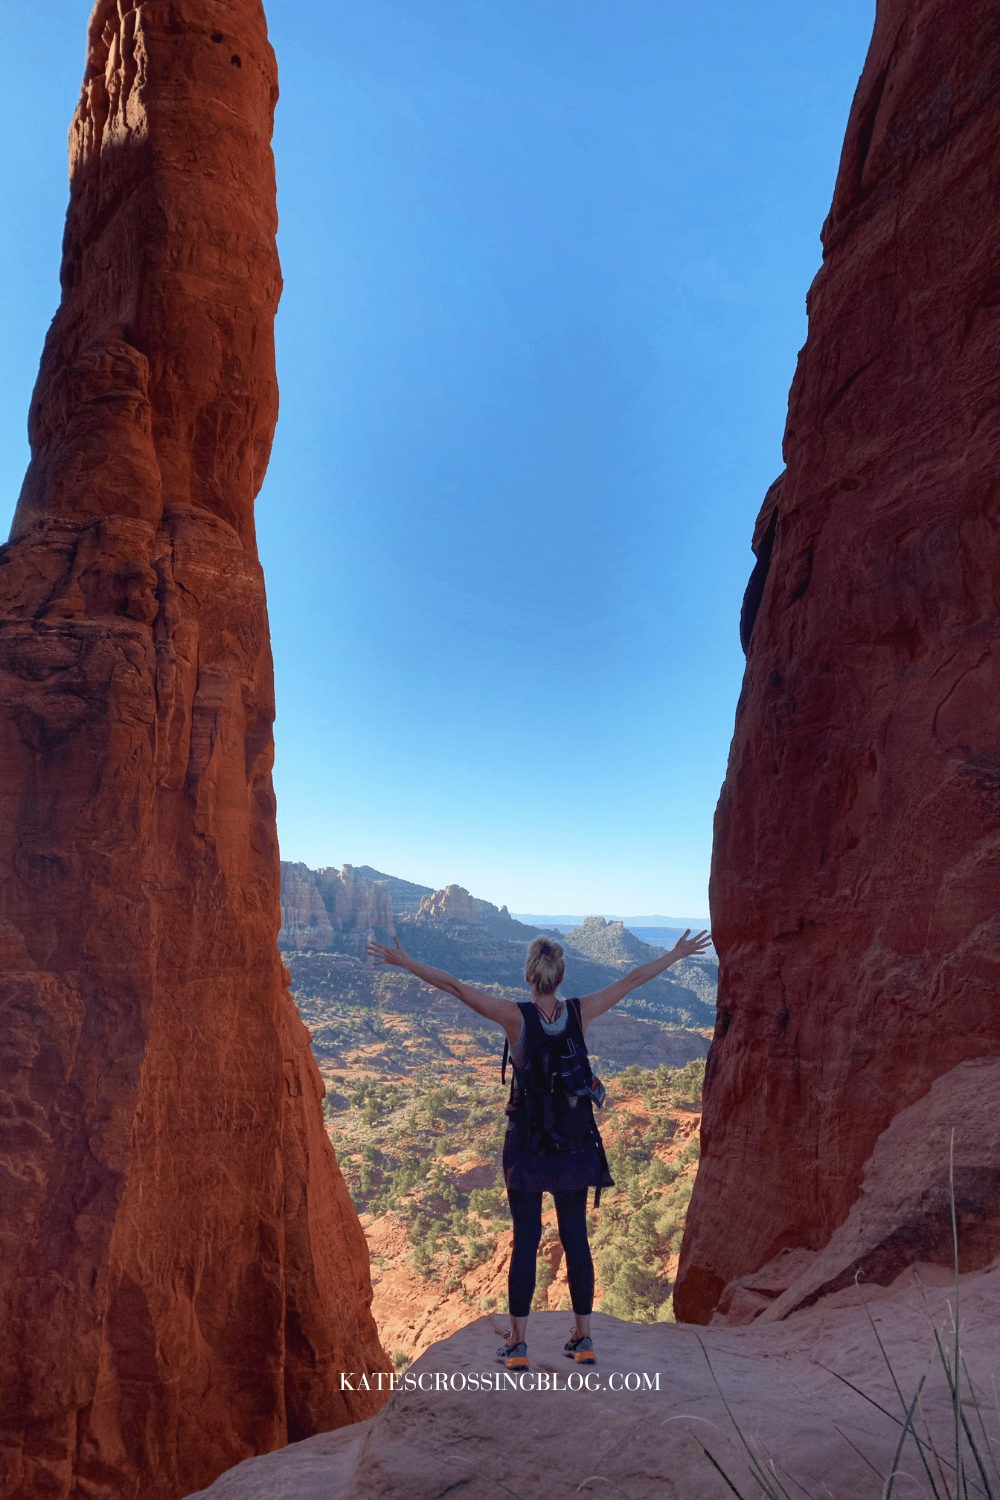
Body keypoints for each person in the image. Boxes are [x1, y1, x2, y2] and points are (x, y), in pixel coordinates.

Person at [366, 925, 712, 1368]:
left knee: (525, 1240)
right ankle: (583, 1339)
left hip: (527, 1148)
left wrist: (407, 962)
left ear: (530, 977)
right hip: (573, 1146)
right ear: (560, 975)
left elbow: (454, 986)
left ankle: (517, 1345)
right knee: (576, 1239)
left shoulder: (516, 1018)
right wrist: (677, 955)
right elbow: (631, 981)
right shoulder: (580, 1011)